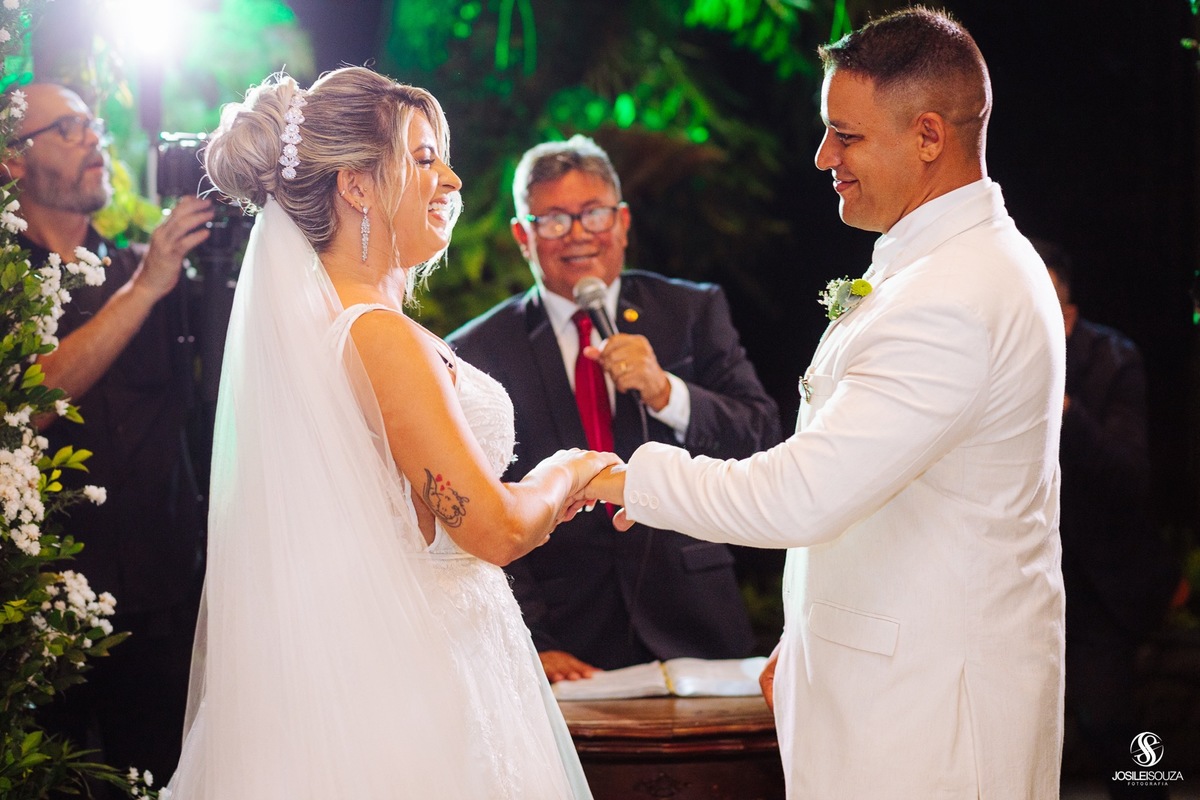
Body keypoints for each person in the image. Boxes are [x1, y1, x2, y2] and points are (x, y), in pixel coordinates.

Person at [582, 8, 1066, 797]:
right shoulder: (950, 265)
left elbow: (803, 493)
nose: (822, 157)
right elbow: (896, 500)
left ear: (929, 136)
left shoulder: (953, 296)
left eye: (846, 135)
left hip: (927, 722)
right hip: (890, 688)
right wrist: (808, 638)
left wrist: (628, 479)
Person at [166, 67, 614, 798]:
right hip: (418, 677)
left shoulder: (329, 331)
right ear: (357, 186)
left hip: (384, 660)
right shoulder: (377, 337)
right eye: (425, 158)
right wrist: (571, 469)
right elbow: (495, 530)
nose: (452, 180)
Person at [448, 134, 779, 682]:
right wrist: (532, 643)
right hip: (568, 641)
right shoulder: (478, 350)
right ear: (523, 235)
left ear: (622, 222)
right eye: (554, 220)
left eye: (594, 214)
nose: (578, 234)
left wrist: (666, 392)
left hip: (697, 624)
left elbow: (762, 436)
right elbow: (476, 506)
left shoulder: (691, 311)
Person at [4, 83, 213, 788]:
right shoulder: (13, 286)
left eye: (93, 123)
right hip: (44, 624)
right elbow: (23, 405)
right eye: (68, 128)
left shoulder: (145, 266)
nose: (94, 137)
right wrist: (144, 289)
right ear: (12, 160)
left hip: (165, 609)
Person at [1034, 238, 1177, 799]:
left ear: (1066, 313)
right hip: (1021, 572)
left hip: (1100, 579)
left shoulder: (1114, 359)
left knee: (1111, 721)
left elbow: (1128, 474)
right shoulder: (989, 358)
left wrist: (1064, 409)